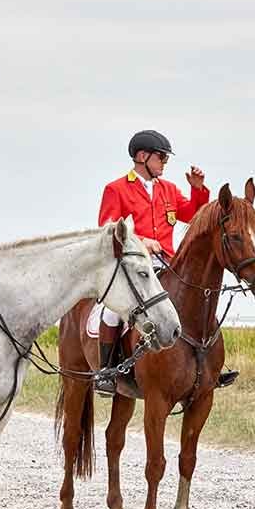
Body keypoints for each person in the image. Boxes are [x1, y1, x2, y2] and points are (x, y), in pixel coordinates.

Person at [93, 129, 217, 395]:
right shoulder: (116, 189)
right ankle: (106, 371)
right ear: (142, 156)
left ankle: (209, 367)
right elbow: (107, 229)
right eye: (161, 157)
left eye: (165, 158)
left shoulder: (169, 189)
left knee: (199, 303)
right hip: (132, 268)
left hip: (167, 264)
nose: (164, 162)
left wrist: (198, 190)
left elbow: (193, 215)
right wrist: (140, 241)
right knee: (112, 312)